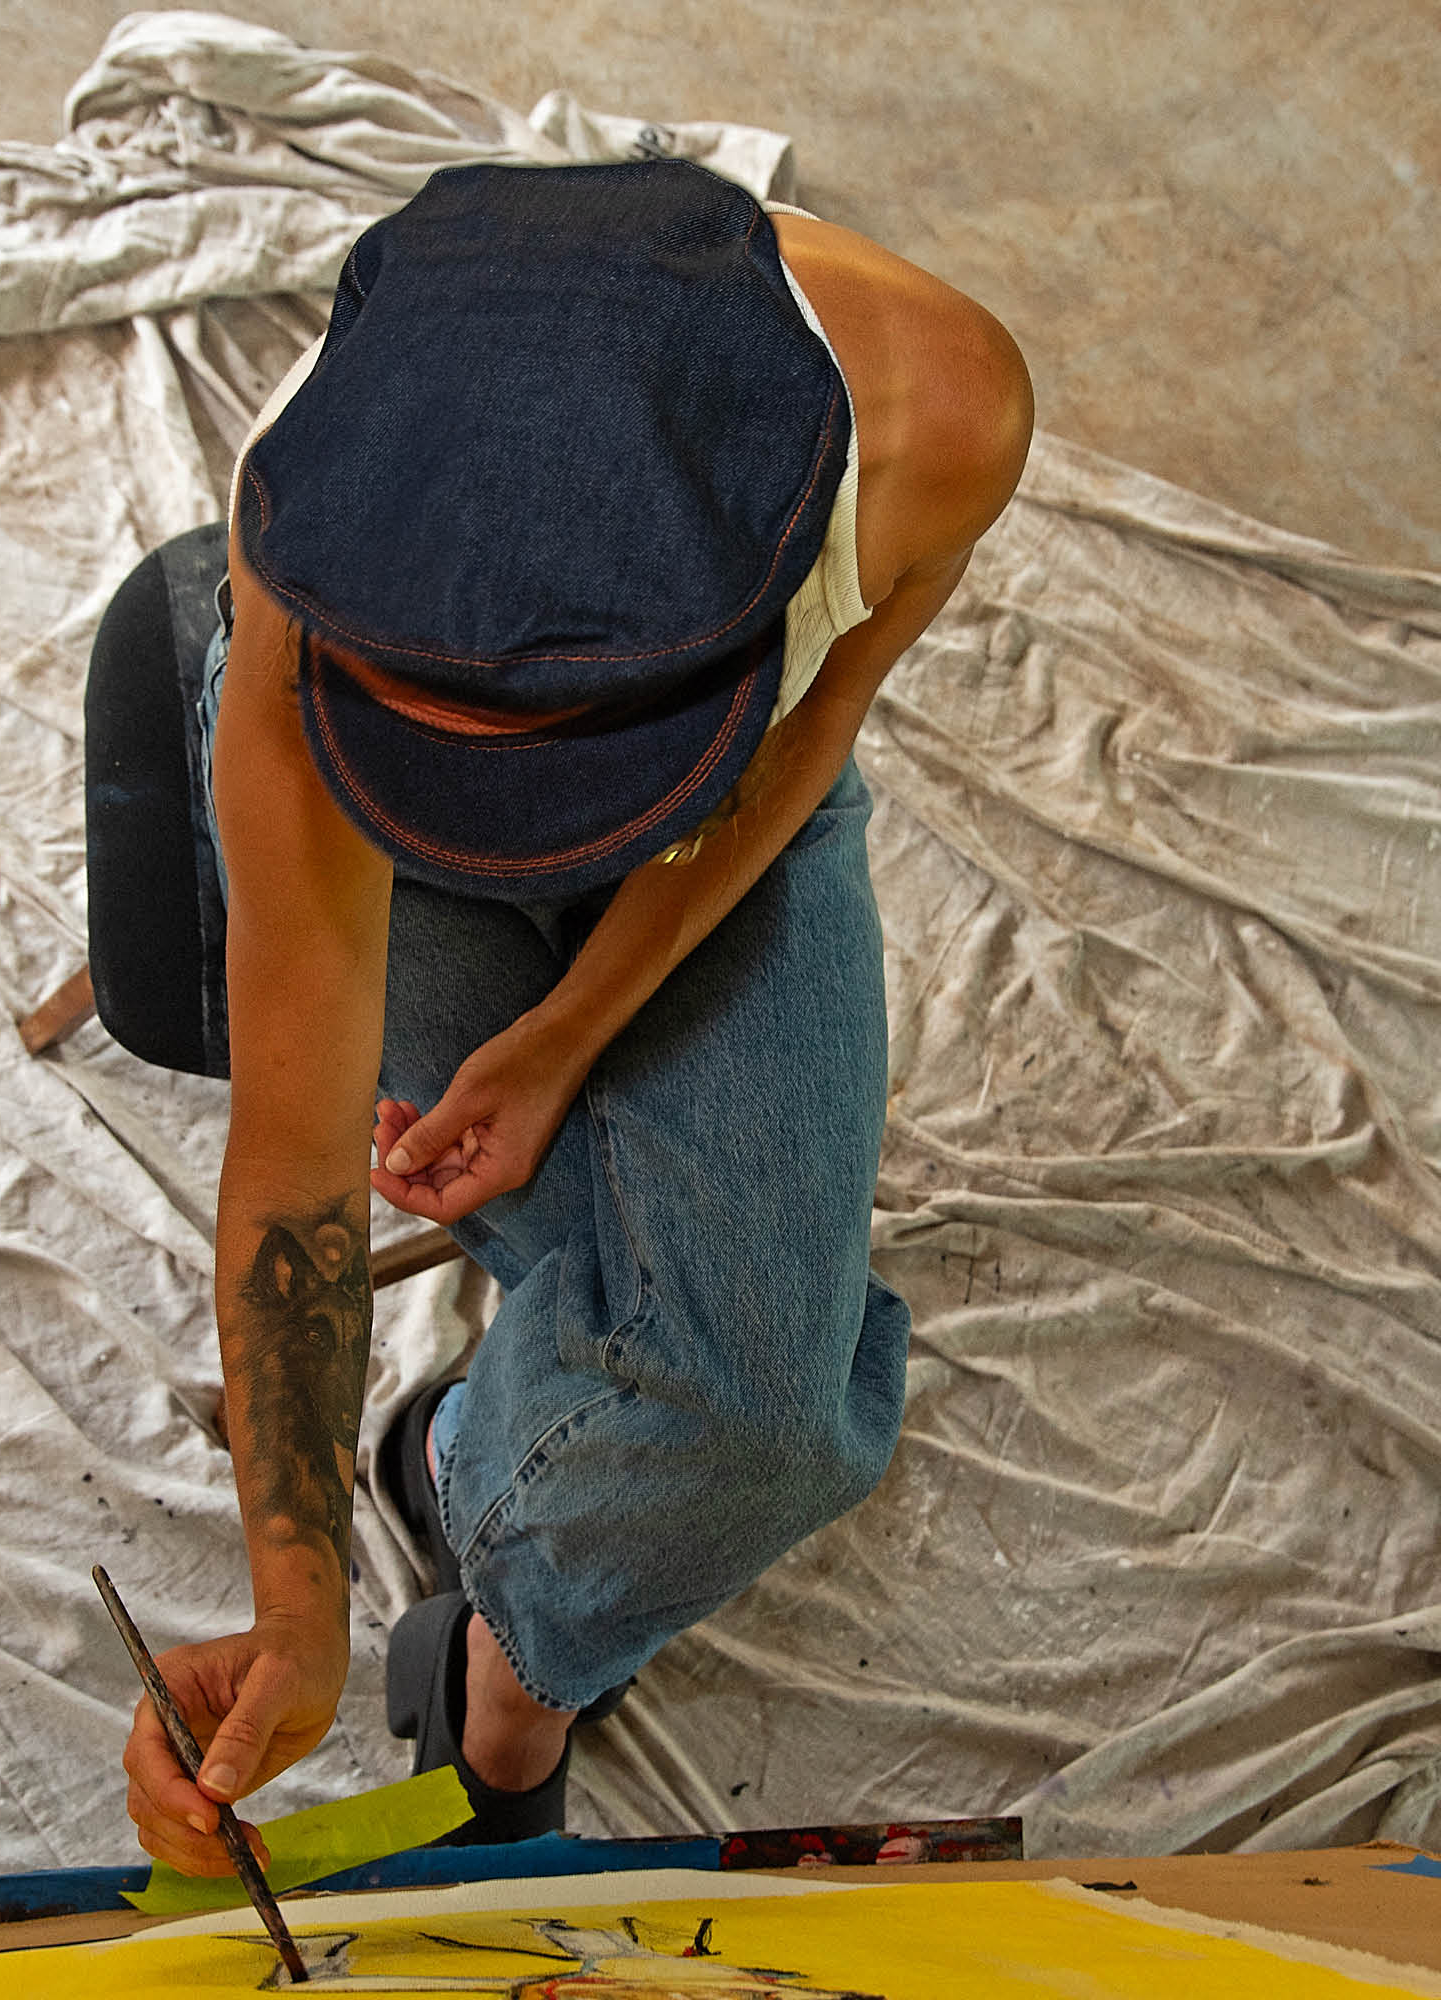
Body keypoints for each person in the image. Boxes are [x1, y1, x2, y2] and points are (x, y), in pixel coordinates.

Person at [119, 157, 1031, 1872]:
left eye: (545, 761)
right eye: (447, 738)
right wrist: (296, 1615)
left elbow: (804, 741)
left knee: (761, 1409)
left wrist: (570, 1030)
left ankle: (497, 1627)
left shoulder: (942, 411)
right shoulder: (296, 579)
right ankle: (484, 1541)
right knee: (733, 1387)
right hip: (373, 820)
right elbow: (299, 1161)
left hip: (721, 808)